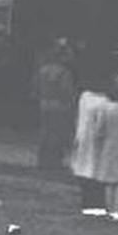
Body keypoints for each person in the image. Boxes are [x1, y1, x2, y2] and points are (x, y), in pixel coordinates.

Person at [70, 77, 118, 222]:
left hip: (108, 146)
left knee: (109, 180)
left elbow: (99, 130)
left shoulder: (105, 107)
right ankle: (116, 210)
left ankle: (109, 208)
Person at [32, 40, 77, 171]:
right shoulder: (64, 72)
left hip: (44, 103)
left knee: (45, 133)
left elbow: (35, 88)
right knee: (58, 133)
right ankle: (55, 161)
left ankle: (42, 160)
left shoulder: (42, 70)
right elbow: (66, 90)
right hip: (60, 105)